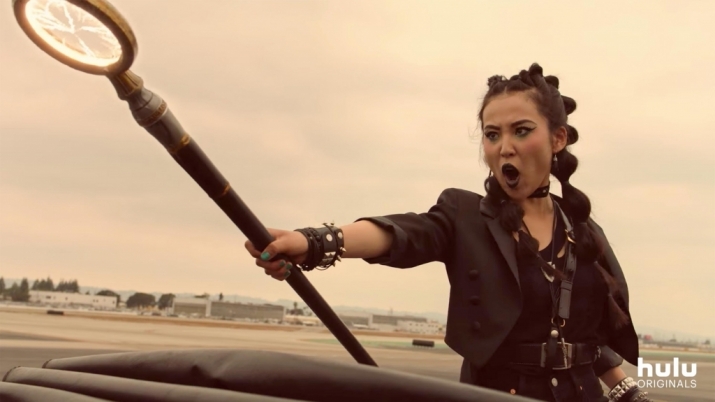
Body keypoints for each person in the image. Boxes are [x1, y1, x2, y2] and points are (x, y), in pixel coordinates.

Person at [244, 63, 651, 402]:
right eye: (492, 135)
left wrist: (630, 394)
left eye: (521, 130)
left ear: (558, 138)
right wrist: (314, 242)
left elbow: (586, 339)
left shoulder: (583, 231)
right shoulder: (466, 216)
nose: (504, 147)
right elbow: (401, 233)